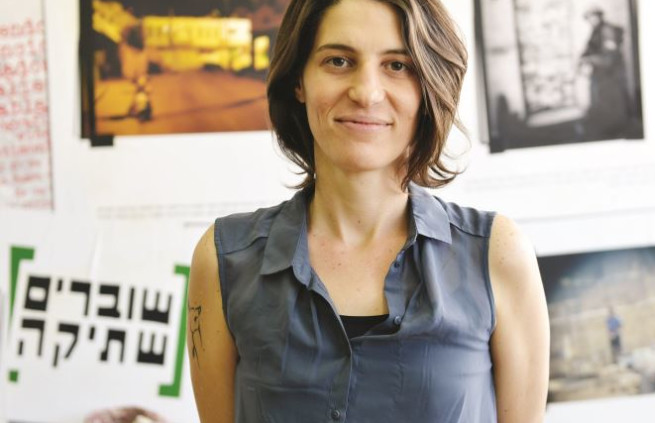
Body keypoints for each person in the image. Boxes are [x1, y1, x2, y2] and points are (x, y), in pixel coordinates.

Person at [187, 0, 549, 422]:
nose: (366, 93)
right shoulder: (224, 261)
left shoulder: (497, 255)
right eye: (338, 61)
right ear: (299, 80)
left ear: (427, 86)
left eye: (397, 66)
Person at [578, 6, 630, 139]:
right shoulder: (596, 31)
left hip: (609, 74)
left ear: (599, 16)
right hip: (600, 73)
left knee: (610, 102)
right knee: (601, 101)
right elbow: (590, 49)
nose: (591, 20)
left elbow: (609, 57)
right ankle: (606, 130)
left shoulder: (607, 30)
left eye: (593, 17)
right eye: (589, 18)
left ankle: (615, 131)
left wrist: (590, 59)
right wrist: (584, 58)